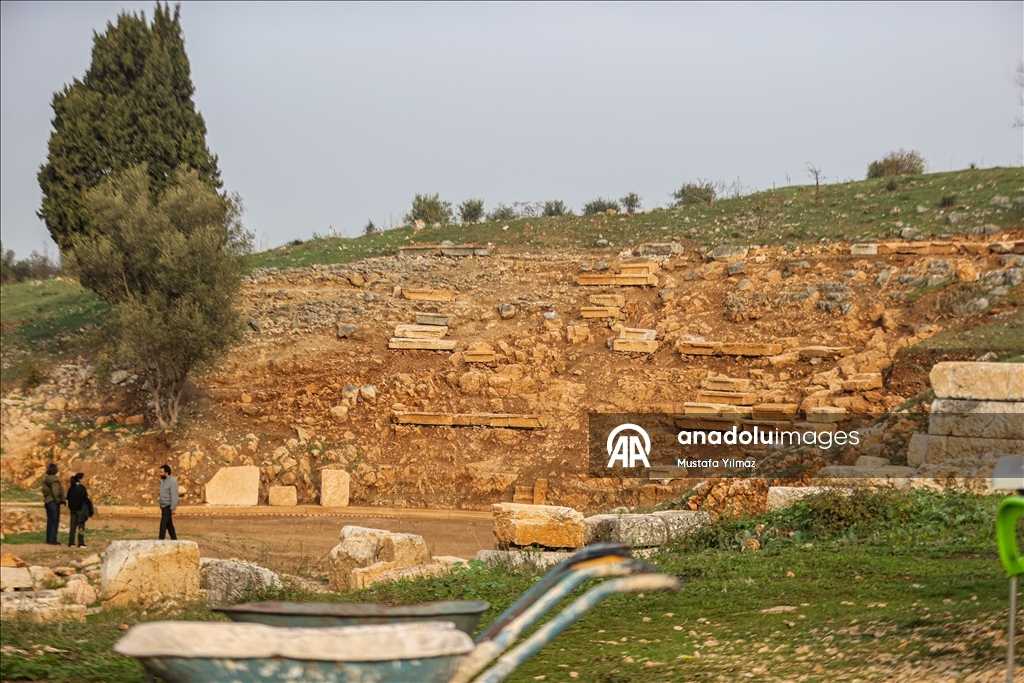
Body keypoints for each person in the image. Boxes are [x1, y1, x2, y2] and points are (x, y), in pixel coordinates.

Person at [41, 463, 65, 545]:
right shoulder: (55, 480)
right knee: (54, 521)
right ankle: (52, 540)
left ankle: (49, 538)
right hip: (53, 502)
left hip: (47, 501)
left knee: (50, 521)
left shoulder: (46, 479)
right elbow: (56, 491)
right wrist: (59, 500)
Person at [66, 473, 92, 548]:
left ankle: (71, 542)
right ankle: (80, 543)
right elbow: (85, 499)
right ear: (80, 479)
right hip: (80, 510)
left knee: (72, 527)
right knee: (81, 526)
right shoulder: (82, 488)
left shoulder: (71, 488)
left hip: (72, 509)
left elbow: (67, 498)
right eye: (83, 478)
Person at [158, 464, 179, 540]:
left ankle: (161, 539)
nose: (160, 474)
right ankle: (174, 539)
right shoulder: (163, 481)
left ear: (166, 473)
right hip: (164, 506)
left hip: (168, 506)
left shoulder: (173, 482)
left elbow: (174, 495)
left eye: (161, 472)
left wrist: (173, 508)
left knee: (163, 523)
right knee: (169, 524)